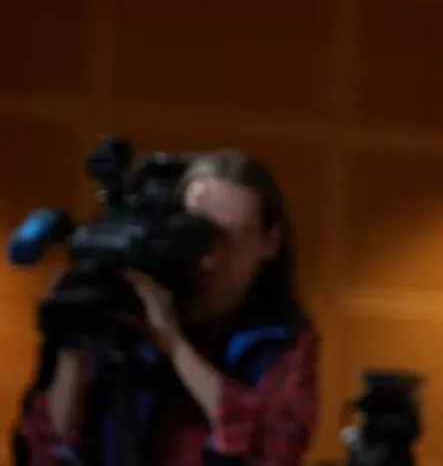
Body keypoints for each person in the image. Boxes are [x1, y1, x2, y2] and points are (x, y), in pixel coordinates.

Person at [12, 149, 320, 466]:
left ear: (270, 242)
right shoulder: (123, 309)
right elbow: (43, 451)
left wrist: (174, 346)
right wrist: (74, 356)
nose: (211, 258)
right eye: (197, 234)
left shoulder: (280, 338)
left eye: (234, 238)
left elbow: (274, 449)